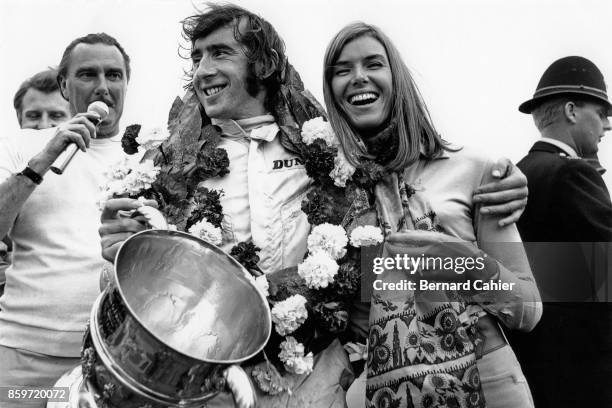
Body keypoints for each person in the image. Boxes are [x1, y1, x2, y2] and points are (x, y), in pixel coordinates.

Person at [99, 5, 529, 407]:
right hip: (256, 386)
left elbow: (538, 301)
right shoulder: (169, 164)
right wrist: (125, 254)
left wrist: (462, 263)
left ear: (264, 65)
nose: (203, 70)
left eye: (221, 53)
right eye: (197, 58)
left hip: (474, 380)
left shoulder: (339, 161)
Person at [322, 22, 541, 408]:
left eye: (373, 64)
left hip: (488, 385)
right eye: (342, 70)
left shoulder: (476, 170)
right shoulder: (332, 197)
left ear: (397, 78)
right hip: (383, 393)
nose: (358, 78)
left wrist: (462, 263)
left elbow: (527, 310)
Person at [0, 33, 129, 408]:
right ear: (63, 85)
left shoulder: (150, 156)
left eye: (114, 75)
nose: (103, 86)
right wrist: (42, 160)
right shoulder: (22, 146)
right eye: (88, 74)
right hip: (24, 356)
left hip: (111, 359)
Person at [506, 56, 612, 407]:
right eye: (601, 113)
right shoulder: (572, 174)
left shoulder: (516, 174)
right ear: (570, 110)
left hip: (530, 368)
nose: (607, 126)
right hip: (585, 374)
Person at [0, 69, 72, 300]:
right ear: (19, 119)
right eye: (33, 116)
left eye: (56, 115)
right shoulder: (7, 152)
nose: (44, 125)